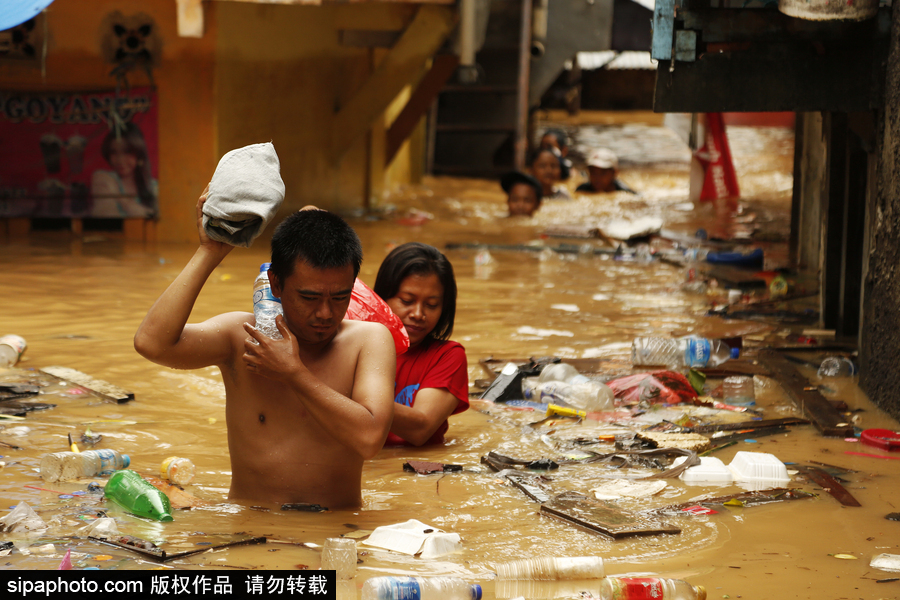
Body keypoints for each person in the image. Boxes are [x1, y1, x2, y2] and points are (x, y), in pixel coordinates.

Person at [133, 188, 396, 509]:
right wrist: (209, 252)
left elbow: (370, 440)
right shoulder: (241, 335)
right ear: (275, 283)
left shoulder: (368, 340)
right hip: (249, 523)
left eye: (340, 297)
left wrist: (294, 373)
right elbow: (151, 344)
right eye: (309, 298)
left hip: (336, 525)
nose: (325, 313)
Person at [373, 242, 469, 446]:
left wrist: (349, 393)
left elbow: (420, 429)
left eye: (431, 305)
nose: (418, 314)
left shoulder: (449, 356)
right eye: (407, 301)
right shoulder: (356, 342)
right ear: (382, 298)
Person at [90, 121, 158, 217]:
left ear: (139, 153)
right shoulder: (103, 179)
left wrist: (120, 198)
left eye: (127, 152)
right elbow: (106, 215)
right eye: (114, 152)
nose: (120, 160)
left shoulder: (154, 187)